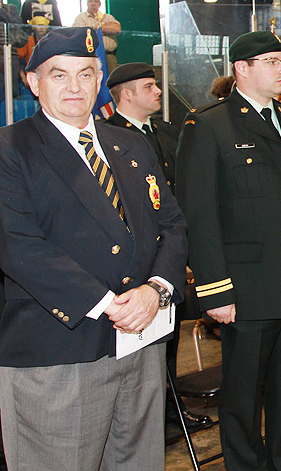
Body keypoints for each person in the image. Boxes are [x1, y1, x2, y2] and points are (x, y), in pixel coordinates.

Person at [0, 27, 186, 471]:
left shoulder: (130, 144)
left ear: (99, 78)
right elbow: (17, 244)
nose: (74, 87)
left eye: (85, 74)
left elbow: (171, 223)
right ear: (33, 82)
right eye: (58, 75)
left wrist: (155, 291)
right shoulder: (12, 149)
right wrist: (109, 304)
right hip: (60, 348)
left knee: (138, 462)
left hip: (141, 340)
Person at [176, 31, 281, 471]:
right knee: (244, 395)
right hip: (247, 289)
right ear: (241, 69)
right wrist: (215, 289)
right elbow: (200, 212)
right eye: (271, 61)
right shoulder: (209, 124)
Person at [104, 62, 212, 433]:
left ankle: (170, 409)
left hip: (168, 253)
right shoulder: (108, 135)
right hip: (135, 260)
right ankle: (148, 417)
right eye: (149, 86)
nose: (158, 92)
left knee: (167, 338)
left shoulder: (166, 131)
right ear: (127, 94)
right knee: (137, 348)